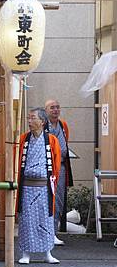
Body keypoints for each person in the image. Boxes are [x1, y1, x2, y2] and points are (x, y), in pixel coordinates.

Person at [16, 108, 61, 265]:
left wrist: (52, 183)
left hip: (43, 186)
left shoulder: (51, 140)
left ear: (42, 121)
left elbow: (56, 164)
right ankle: (25, 252)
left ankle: (47, 252)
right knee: (26, 219)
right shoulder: (23, 139)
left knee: (45, 218)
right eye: (28, 118)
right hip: (27, 186)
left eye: (33, 118)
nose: (29, 121)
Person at [44, 99, 73, 246]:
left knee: (59, 200)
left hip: (61, 167)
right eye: (52, 108)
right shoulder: (42, 125)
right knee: (47, 199)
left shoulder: (63, 125)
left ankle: (53, 231)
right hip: (47, 167)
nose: (55, 110)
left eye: (57, 107)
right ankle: (46, 232)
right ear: (46, 110)